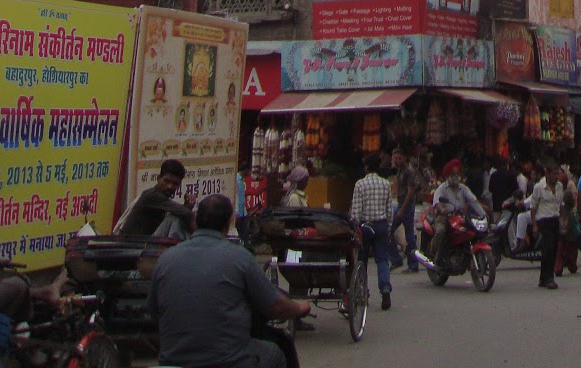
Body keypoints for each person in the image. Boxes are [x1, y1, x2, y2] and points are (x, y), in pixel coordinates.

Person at [148, 193, 311, 368]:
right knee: (275, 352)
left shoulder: (166, 259)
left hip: (172, 360)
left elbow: (154, 312)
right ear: (227, 225)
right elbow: (276, 307)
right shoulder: (240, 258)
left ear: (195, 221)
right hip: (229, 361)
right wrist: (299, 306)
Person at [350, 152, 395, 311]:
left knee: (361, 260)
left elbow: (355, 213)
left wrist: (354, 229)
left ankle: (363, 293)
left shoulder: (360, 185)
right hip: (381, 225)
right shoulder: (385, 184)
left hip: (365, 226)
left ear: (367, 167)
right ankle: (385, 289)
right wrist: (388, 229)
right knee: (382, 259)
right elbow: (389, 211)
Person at [428, 159, 486, 269]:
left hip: (460, 217)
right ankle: (434, 254)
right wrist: (442, 209)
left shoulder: (463, 188)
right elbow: (436, 202)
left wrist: (482, 214)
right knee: (441, 231)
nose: (455, 177)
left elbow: (473, 200)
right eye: (452, 174)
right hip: (444, 217)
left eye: (457, 174)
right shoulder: (442, 188)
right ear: (448, 175)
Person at [120, 158, 193, 240]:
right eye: (166, 181)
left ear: (179, 185)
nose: (170, 186)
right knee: (176, 217)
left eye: (175, 183)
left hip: (144, 243)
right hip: (134, 245)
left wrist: (187, 207)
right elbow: (185, 213)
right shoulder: (152, 196)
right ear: (158, 178)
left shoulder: (161, 199)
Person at [527, 162, 564, 289]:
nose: (556, 177)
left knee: (553, 249)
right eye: (554, 174)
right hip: (543, 220)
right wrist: (535, 226)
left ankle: (543, 278)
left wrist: (564, 220)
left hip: (555, 219)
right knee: (548, 247)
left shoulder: (559, 186)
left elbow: (561, 204)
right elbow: (533, 207)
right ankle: (549, 278)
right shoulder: (538, 187)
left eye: (557, 174)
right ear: (547, 174)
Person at [388, 146, 420, 273]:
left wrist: (402, 210)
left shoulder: (409, 171)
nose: (396, 160)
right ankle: (396, 259)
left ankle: (413, 265)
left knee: (409, 236)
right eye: (395, 158)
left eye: (399, 158)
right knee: (389, 231)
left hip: (406, 206)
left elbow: (410, 191)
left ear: (405, 158)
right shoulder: (400, 171)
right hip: (401, 205)